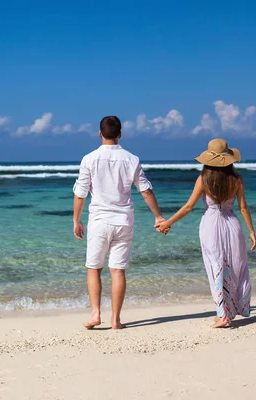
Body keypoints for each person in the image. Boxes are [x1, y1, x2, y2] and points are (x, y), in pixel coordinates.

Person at [73, 116, 165, 330]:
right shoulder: (131, 159)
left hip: (99, 221)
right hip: (124, 221)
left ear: (99, 133)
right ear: (120, 134)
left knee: (94, 268)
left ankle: (96, 314)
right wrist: (158, 216)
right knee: (118, 271)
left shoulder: (89, 159)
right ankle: (115, 320)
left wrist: (76, 220)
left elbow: (80, 193)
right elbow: (145, 190)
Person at [155, 138, 256, 328]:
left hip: (211, 225)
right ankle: (231, 309)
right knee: (235, 266)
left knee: (215, 266)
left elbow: (188, 207)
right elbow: (243, 208)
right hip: (232, 224)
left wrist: (167, 223)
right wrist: (251, 231)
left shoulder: (203, 179)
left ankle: (222, 314)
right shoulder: (237, 180)